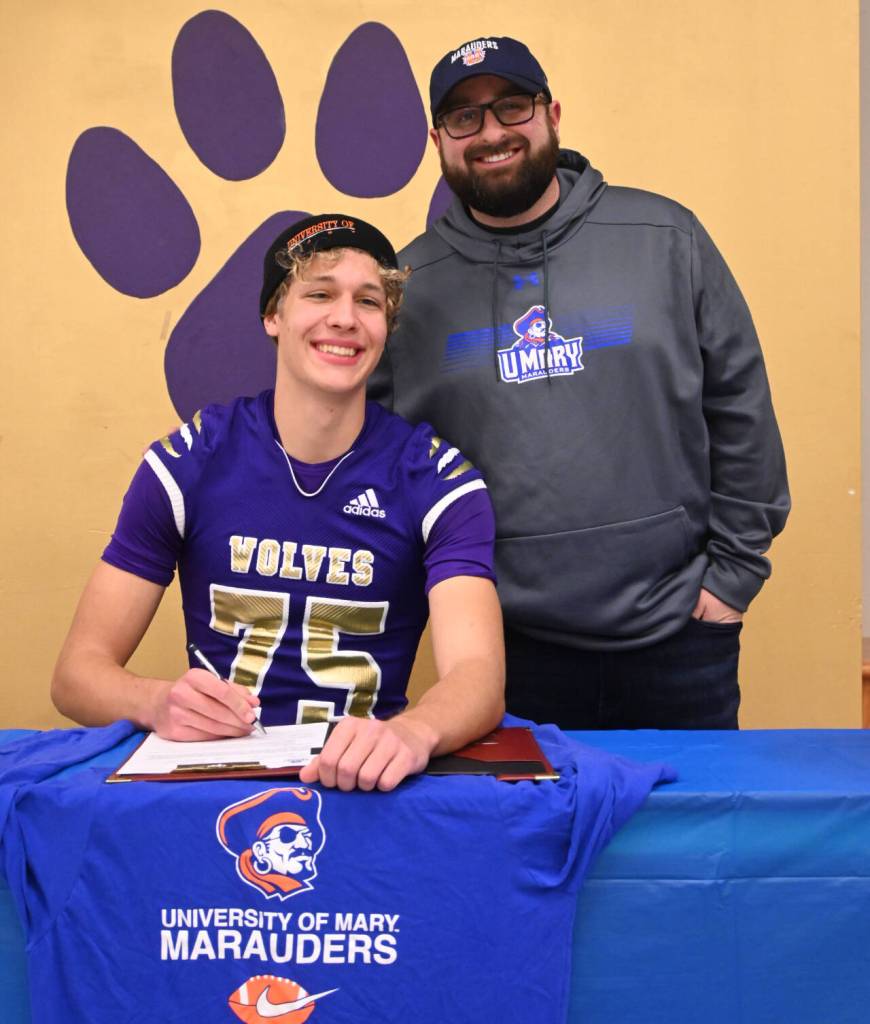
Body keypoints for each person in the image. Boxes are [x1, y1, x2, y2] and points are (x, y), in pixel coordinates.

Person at [368, 36, 790, 730]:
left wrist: (732, 580)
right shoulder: (408, 288)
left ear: (551, 112)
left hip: (680, 638)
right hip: (503, 653)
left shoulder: (664, 237)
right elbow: (384, 464)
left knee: (686, 840)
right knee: (533, 841)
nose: (492, 133)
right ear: (437, 140)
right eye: (465, 118)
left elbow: (740, 404)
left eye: (511, 107)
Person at [51, 213, 505, 789]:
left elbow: (478, 676)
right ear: (273, 315)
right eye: (320, 293)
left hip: (366, 782)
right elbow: (76, 675)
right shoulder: (192, 461)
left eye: (368, 301)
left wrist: (413, 733)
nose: (344, 318)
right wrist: (156, 702)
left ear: (386, 326)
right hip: (216, 779)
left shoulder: (436, 480)